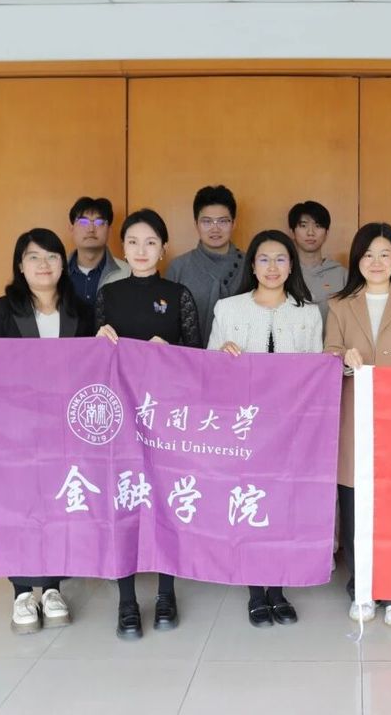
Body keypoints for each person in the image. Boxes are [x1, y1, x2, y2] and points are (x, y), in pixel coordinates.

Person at [0, 228, 96, 634]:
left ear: (63, 264)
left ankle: (52, 588)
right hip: (14, 430)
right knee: (19, 504)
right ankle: (22, 592)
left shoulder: (82, 311)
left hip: (66, 429)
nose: (43, 264)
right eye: (33, 257)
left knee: (59, 504)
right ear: (20, 265)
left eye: (51, 256)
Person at [96, 208, 202, 639]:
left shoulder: (178, 295)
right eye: (133, 242)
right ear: (123, 248)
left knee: (164, 501)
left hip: (165, 418)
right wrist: (99, 343)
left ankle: (165, 594)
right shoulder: (109, 295)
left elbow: (198, 360)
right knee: (121, 502)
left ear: (164, 248)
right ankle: (126, 601)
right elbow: (91, 361)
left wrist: (170, 350)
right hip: (119, 418)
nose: (141, 250)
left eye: (151, 242)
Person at [208, 229, 322, 628]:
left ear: (291, 266)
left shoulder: (308, 313)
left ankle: (278, 589)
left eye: (280, 259)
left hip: (291, 429)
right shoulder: (228, 309)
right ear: (252, 266)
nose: (272, 267)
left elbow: (316, 374)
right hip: (245, 429)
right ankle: (256, 591)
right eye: (264, 259)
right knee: (250, 505)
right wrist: (221, 356)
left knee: (284, 507)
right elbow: (208, 370)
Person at [324, 223, 391, 627]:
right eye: (368, 254)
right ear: (357, 259)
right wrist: (343, 359)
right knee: (355, 505)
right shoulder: (340, 304)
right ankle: (361, 587)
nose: (376, 262)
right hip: (354, 414)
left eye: (385, 254)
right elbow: (329, 352)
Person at [165, 185, 244, 345]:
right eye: (207, 222)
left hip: (241, 355)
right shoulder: (178, 267)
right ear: (196, 224)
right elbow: (166, 322)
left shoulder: (251, 264)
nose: (215, 229)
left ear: (234, 223)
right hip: (187, 357)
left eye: (223, 221)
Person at [289, 200, 347, 323]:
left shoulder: (341, 275)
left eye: (318, 226)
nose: (310, 232)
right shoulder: (283, 273)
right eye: (303, 226)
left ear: (327, 233)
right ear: (292, 232)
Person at [66, 196, 129, 306]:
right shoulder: (56, 271)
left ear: (109, 230)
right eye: (83, 222)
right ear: (71, 229)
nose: (91, 229)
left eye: (99, 222)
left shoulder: (127, 273)